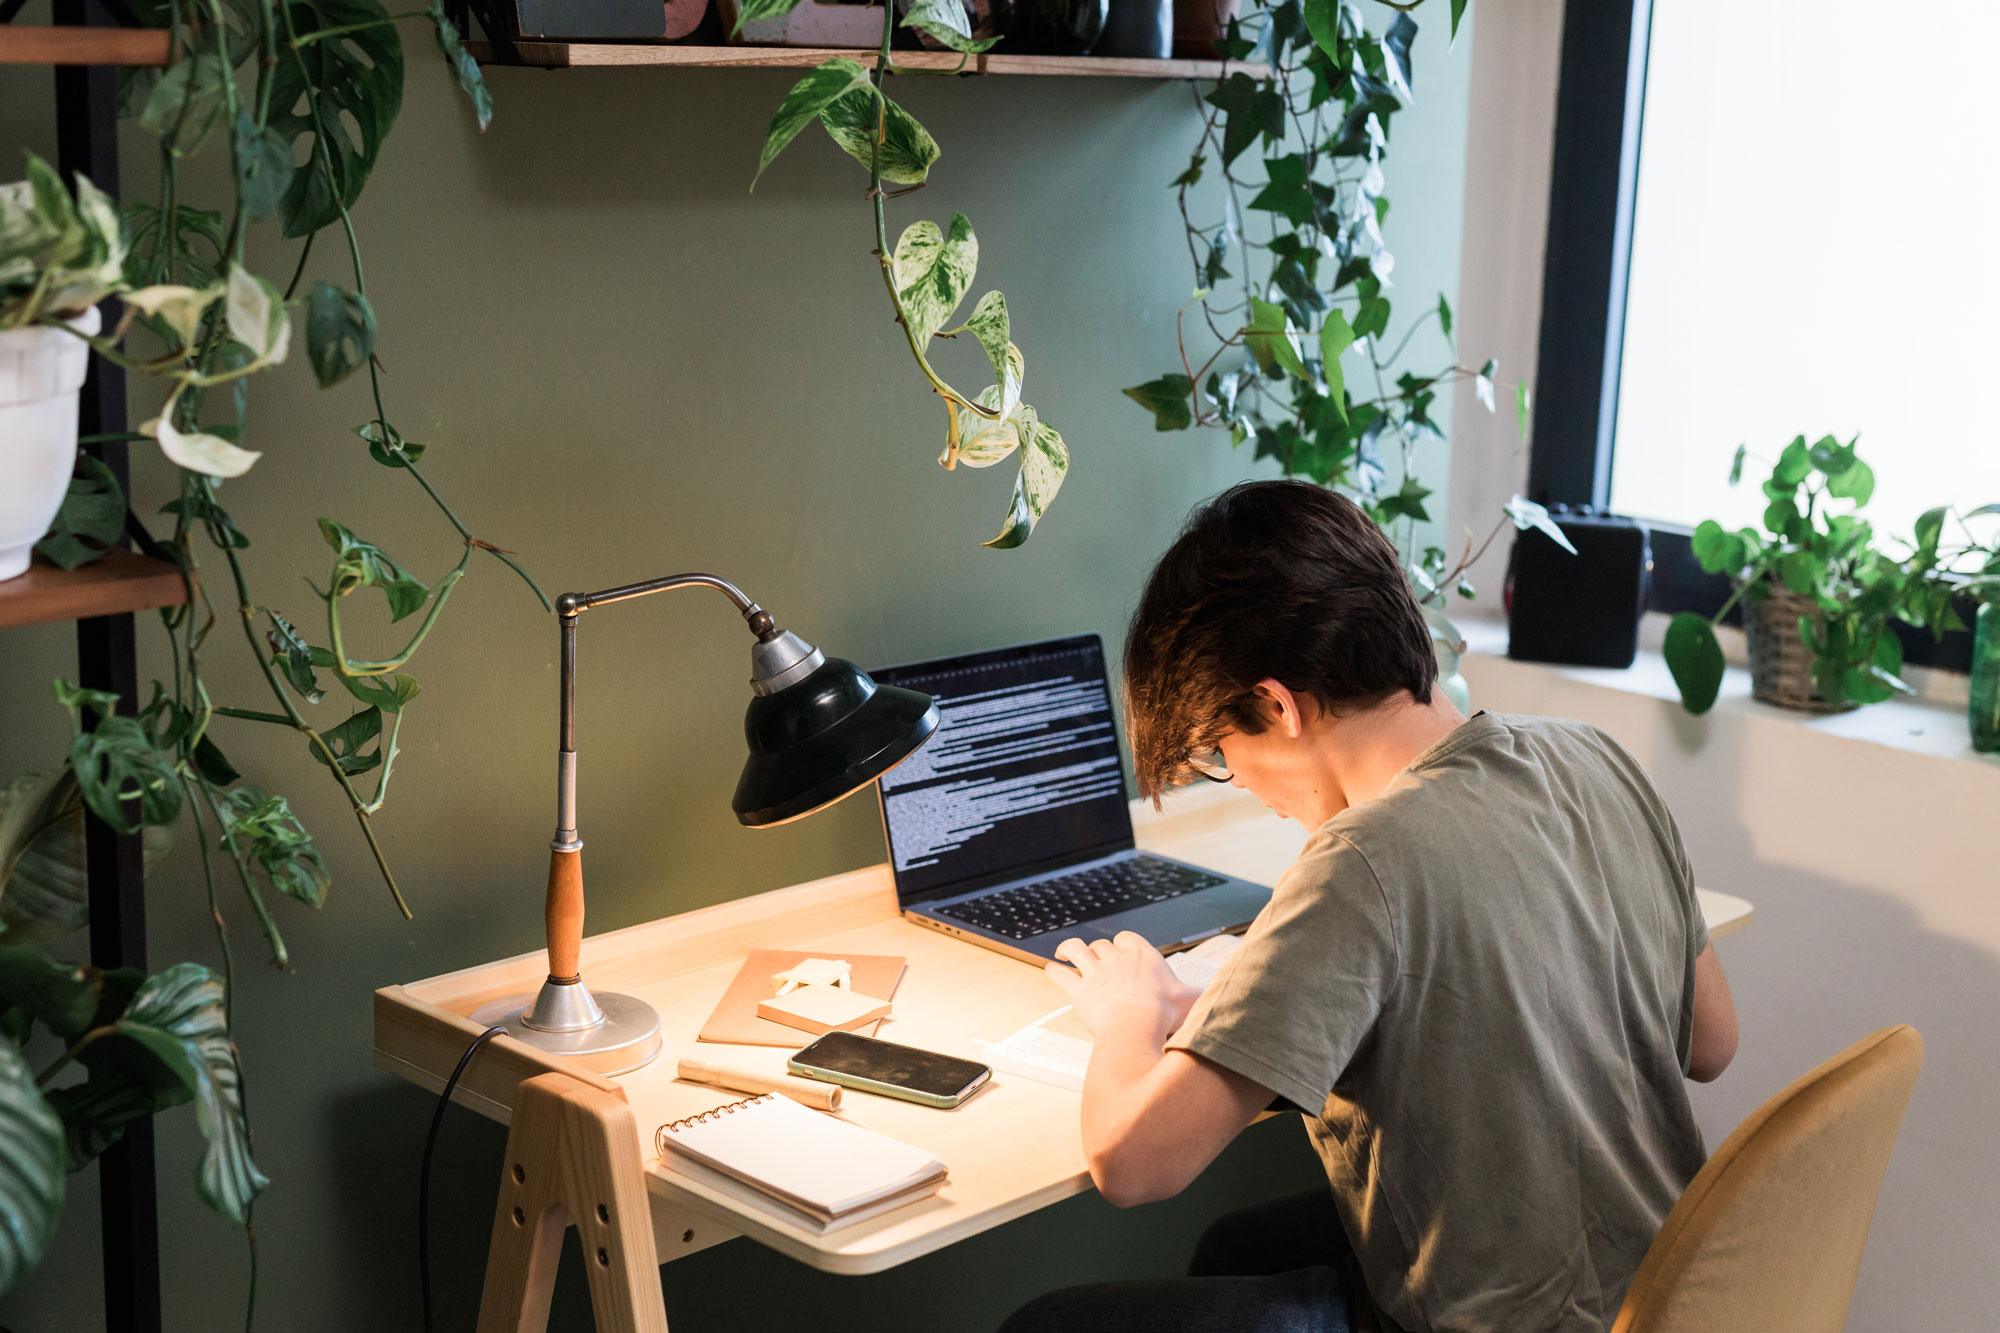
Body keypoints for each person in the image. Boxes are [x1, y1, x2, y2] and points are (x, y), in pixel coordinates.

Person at [999, 481, 1737, 1333]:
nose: (1238, 780)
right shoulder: (1590, 757)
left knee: (1042, 1327)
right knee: (1240, 1245)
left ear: (1278, 705)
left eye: (1220, 750)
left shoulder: (1357, 863)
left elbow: (1133, 1164)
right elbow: (1712, 1041)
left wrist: (1129, 1011)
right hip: (1663, 1297)